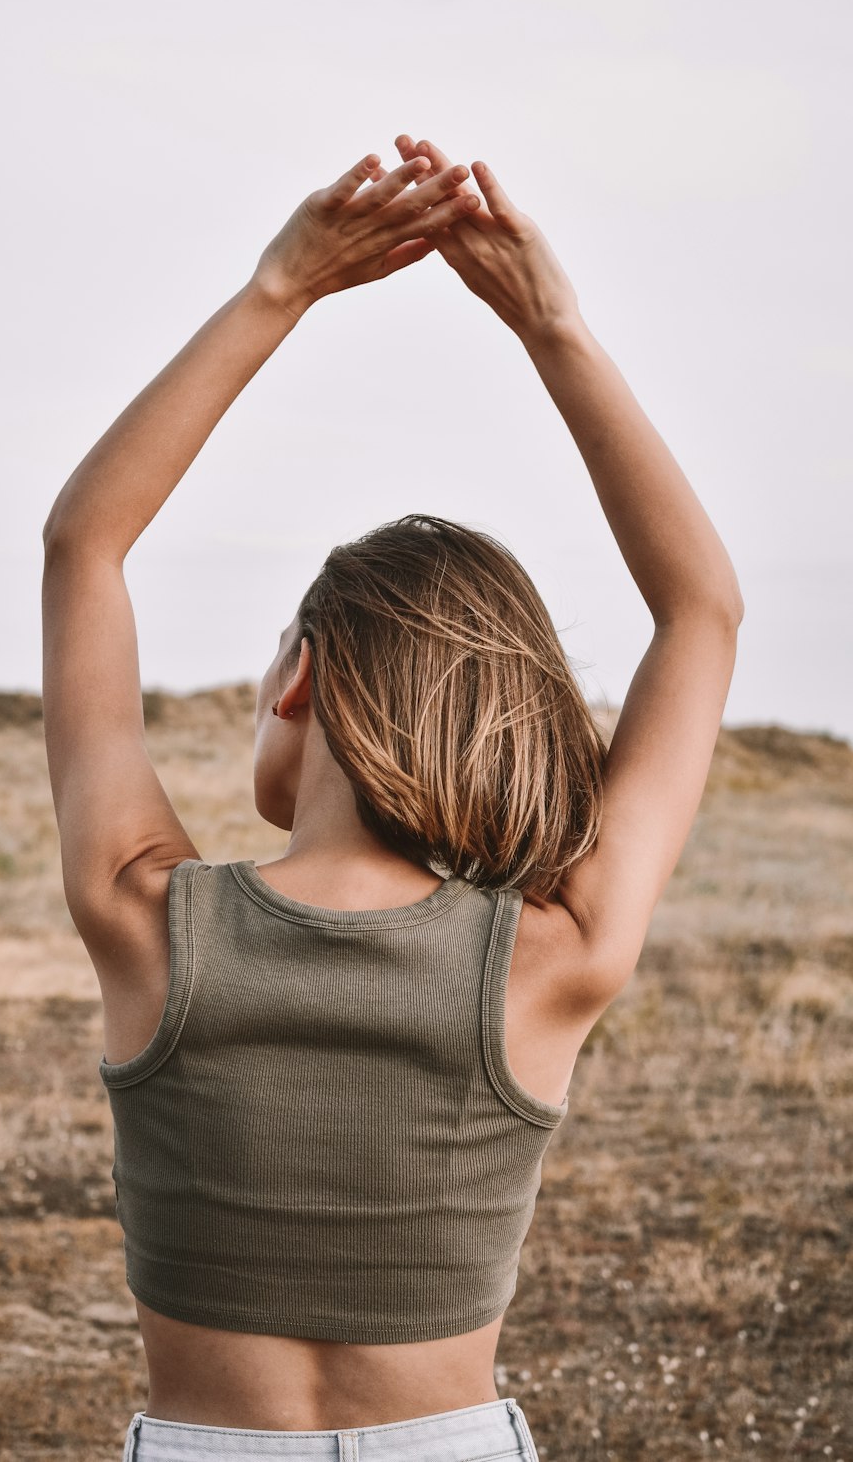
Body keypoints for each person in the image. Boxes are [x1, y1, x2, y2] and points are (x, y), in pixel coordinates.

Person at [41, 133, 743, 1462]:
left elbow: (86, 544)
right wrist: (553, 326)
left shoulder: (147, 917)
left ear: (300, 675)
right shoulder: (552, 952)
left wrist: (280, 289)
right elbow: (701, 609)